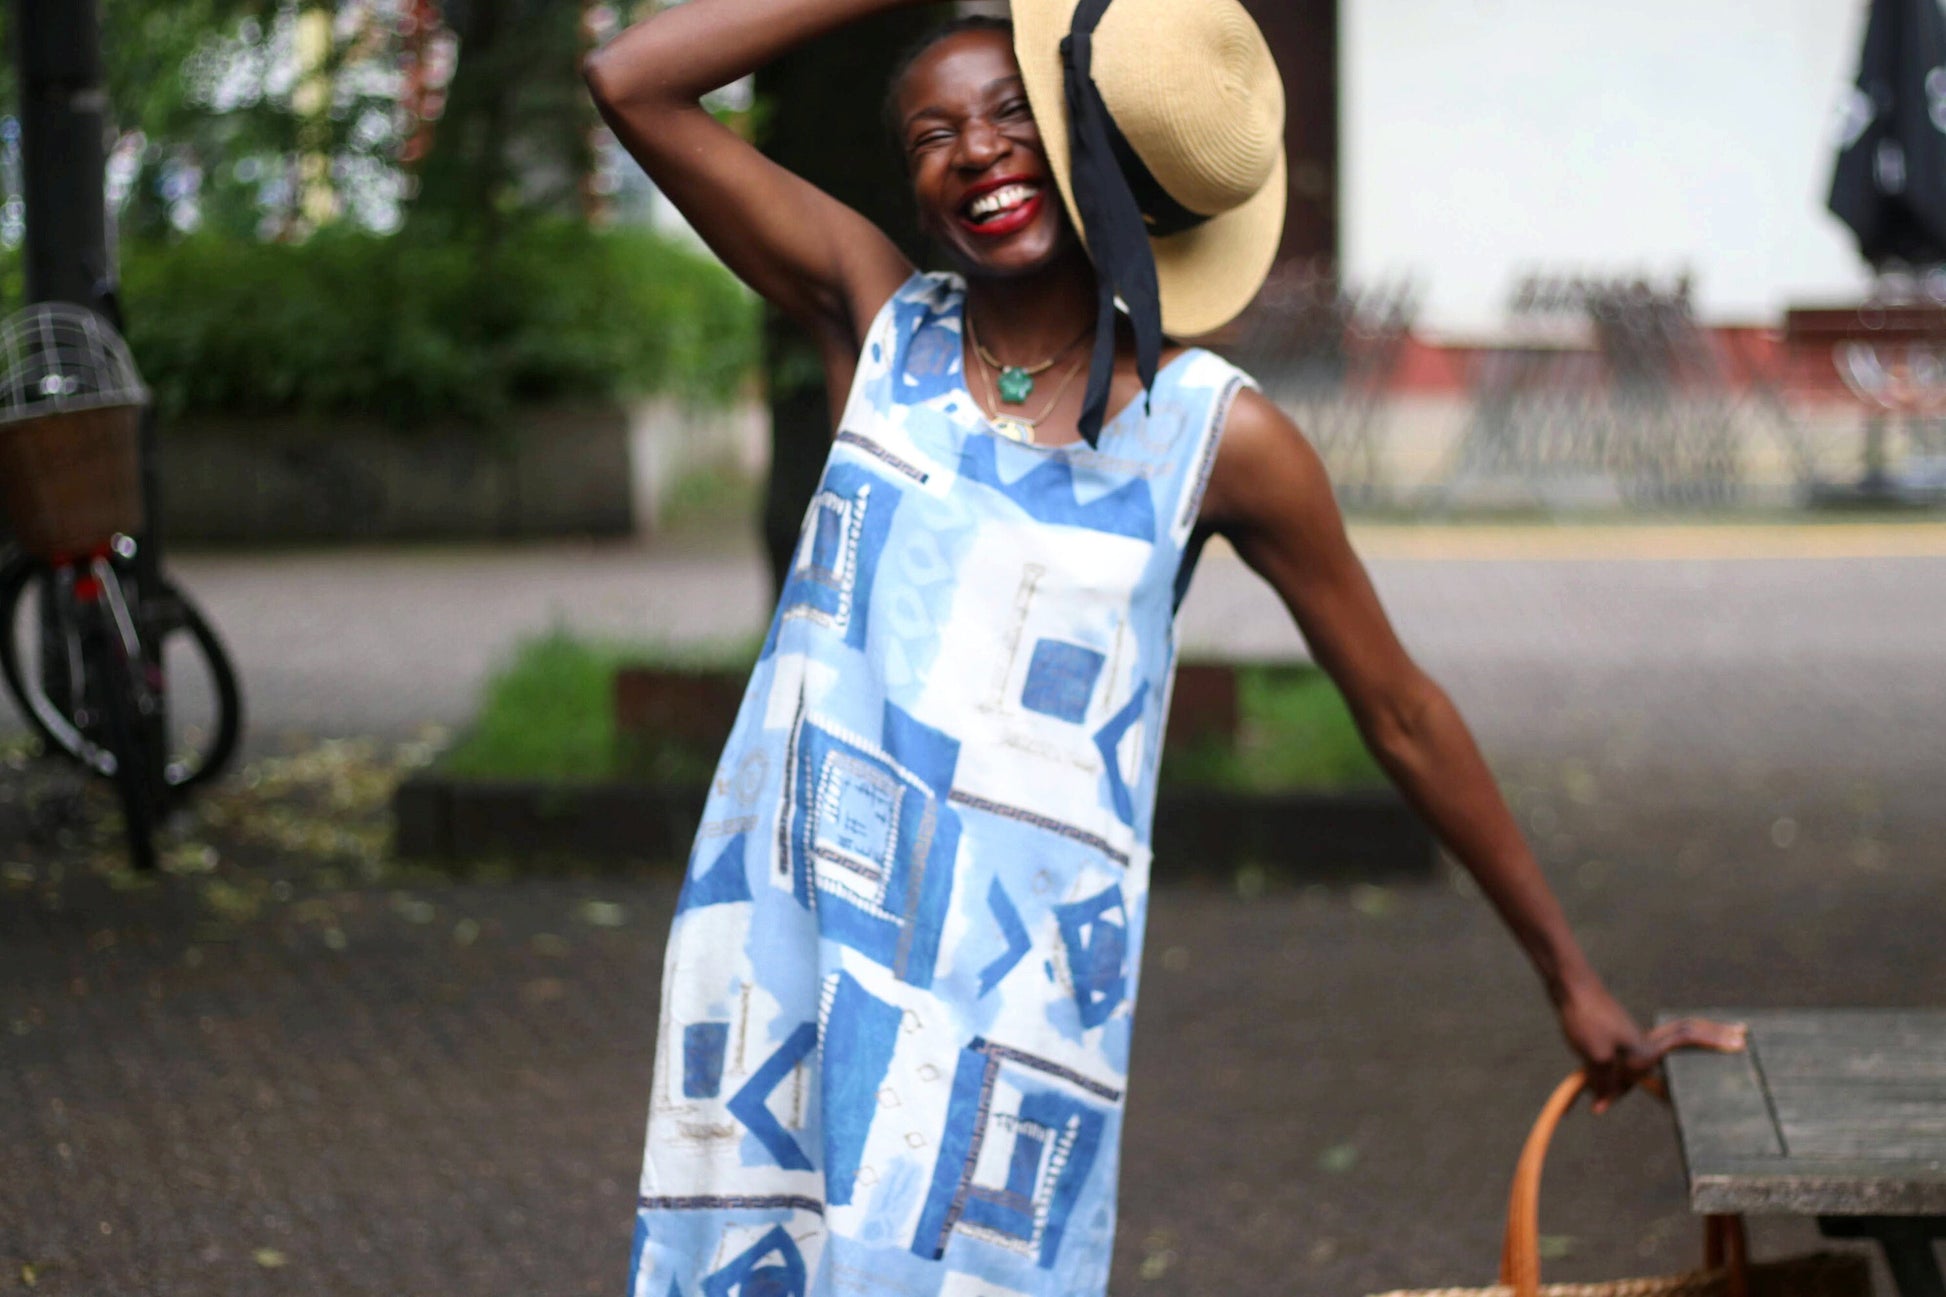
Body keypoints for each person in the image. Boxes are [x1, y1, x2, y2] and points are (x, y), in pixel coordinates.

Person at [585, 3, 1743, 1294]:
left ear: (1095, 144)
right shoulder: (878, 325)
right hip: (784, 960)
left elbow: (1401, 710)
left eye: (1012, 115)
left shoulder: (1214, 435)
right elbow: (629, 81)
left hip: (1002, 1032)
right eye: (933, 132)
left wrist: (1570, 979)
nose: (975, 150)